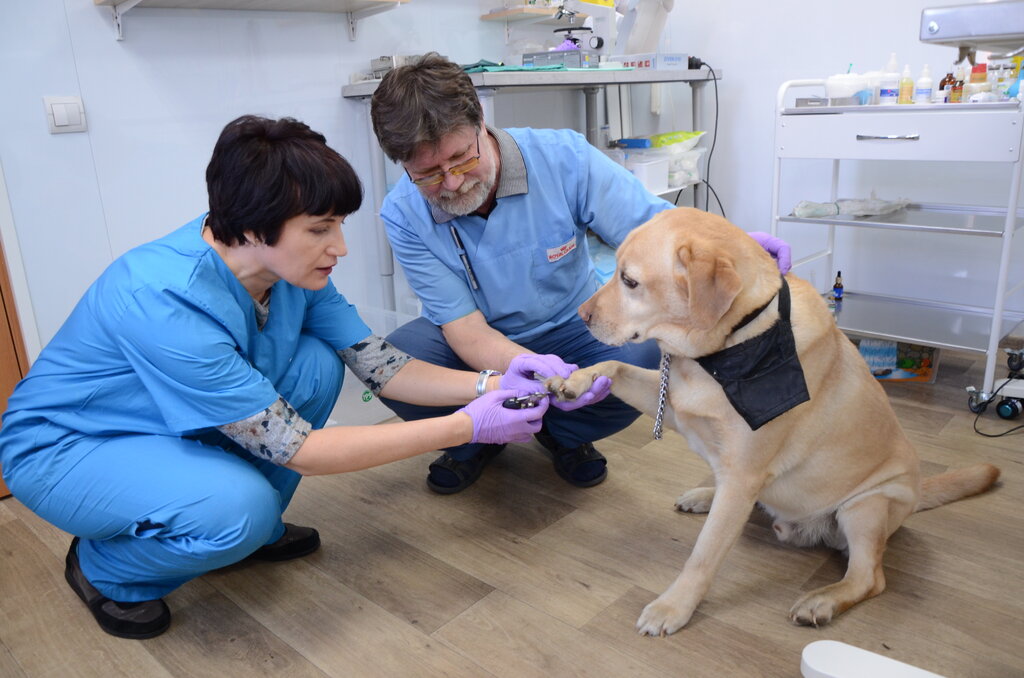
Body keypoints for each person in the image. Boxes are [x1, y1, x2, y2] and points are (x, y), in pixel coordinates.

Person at [0, 115, 566, 640]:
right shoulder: (162, 298)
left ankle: (245, 530)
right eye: (321, 229)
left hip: (165, 426)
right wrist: (466, 427)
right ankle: (106, 568)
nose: (340, 248)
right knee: (235, 511)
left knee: (318, 365)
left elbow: (382, 367)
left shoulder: (286, 270)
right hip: (69, 447)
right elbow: (300, 450)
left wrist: (497, 381)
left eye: (339, 225)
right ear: (250, 227)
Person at [369, 53, 791, 495]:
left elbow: (655, 228)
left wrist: (734, 248)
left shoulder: (563, 159)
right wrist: (519, 368)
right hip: (477, 344)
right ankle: (476, 434)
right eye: (429, 175)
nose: (452, 184)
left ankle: (560, 434)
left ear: (480, 122)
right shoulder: (403, 213)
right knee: (393, 363)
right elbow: (467, 332)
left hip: (573, 329)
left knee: (647, 356)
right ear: (403, 167)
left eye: (460, 159)